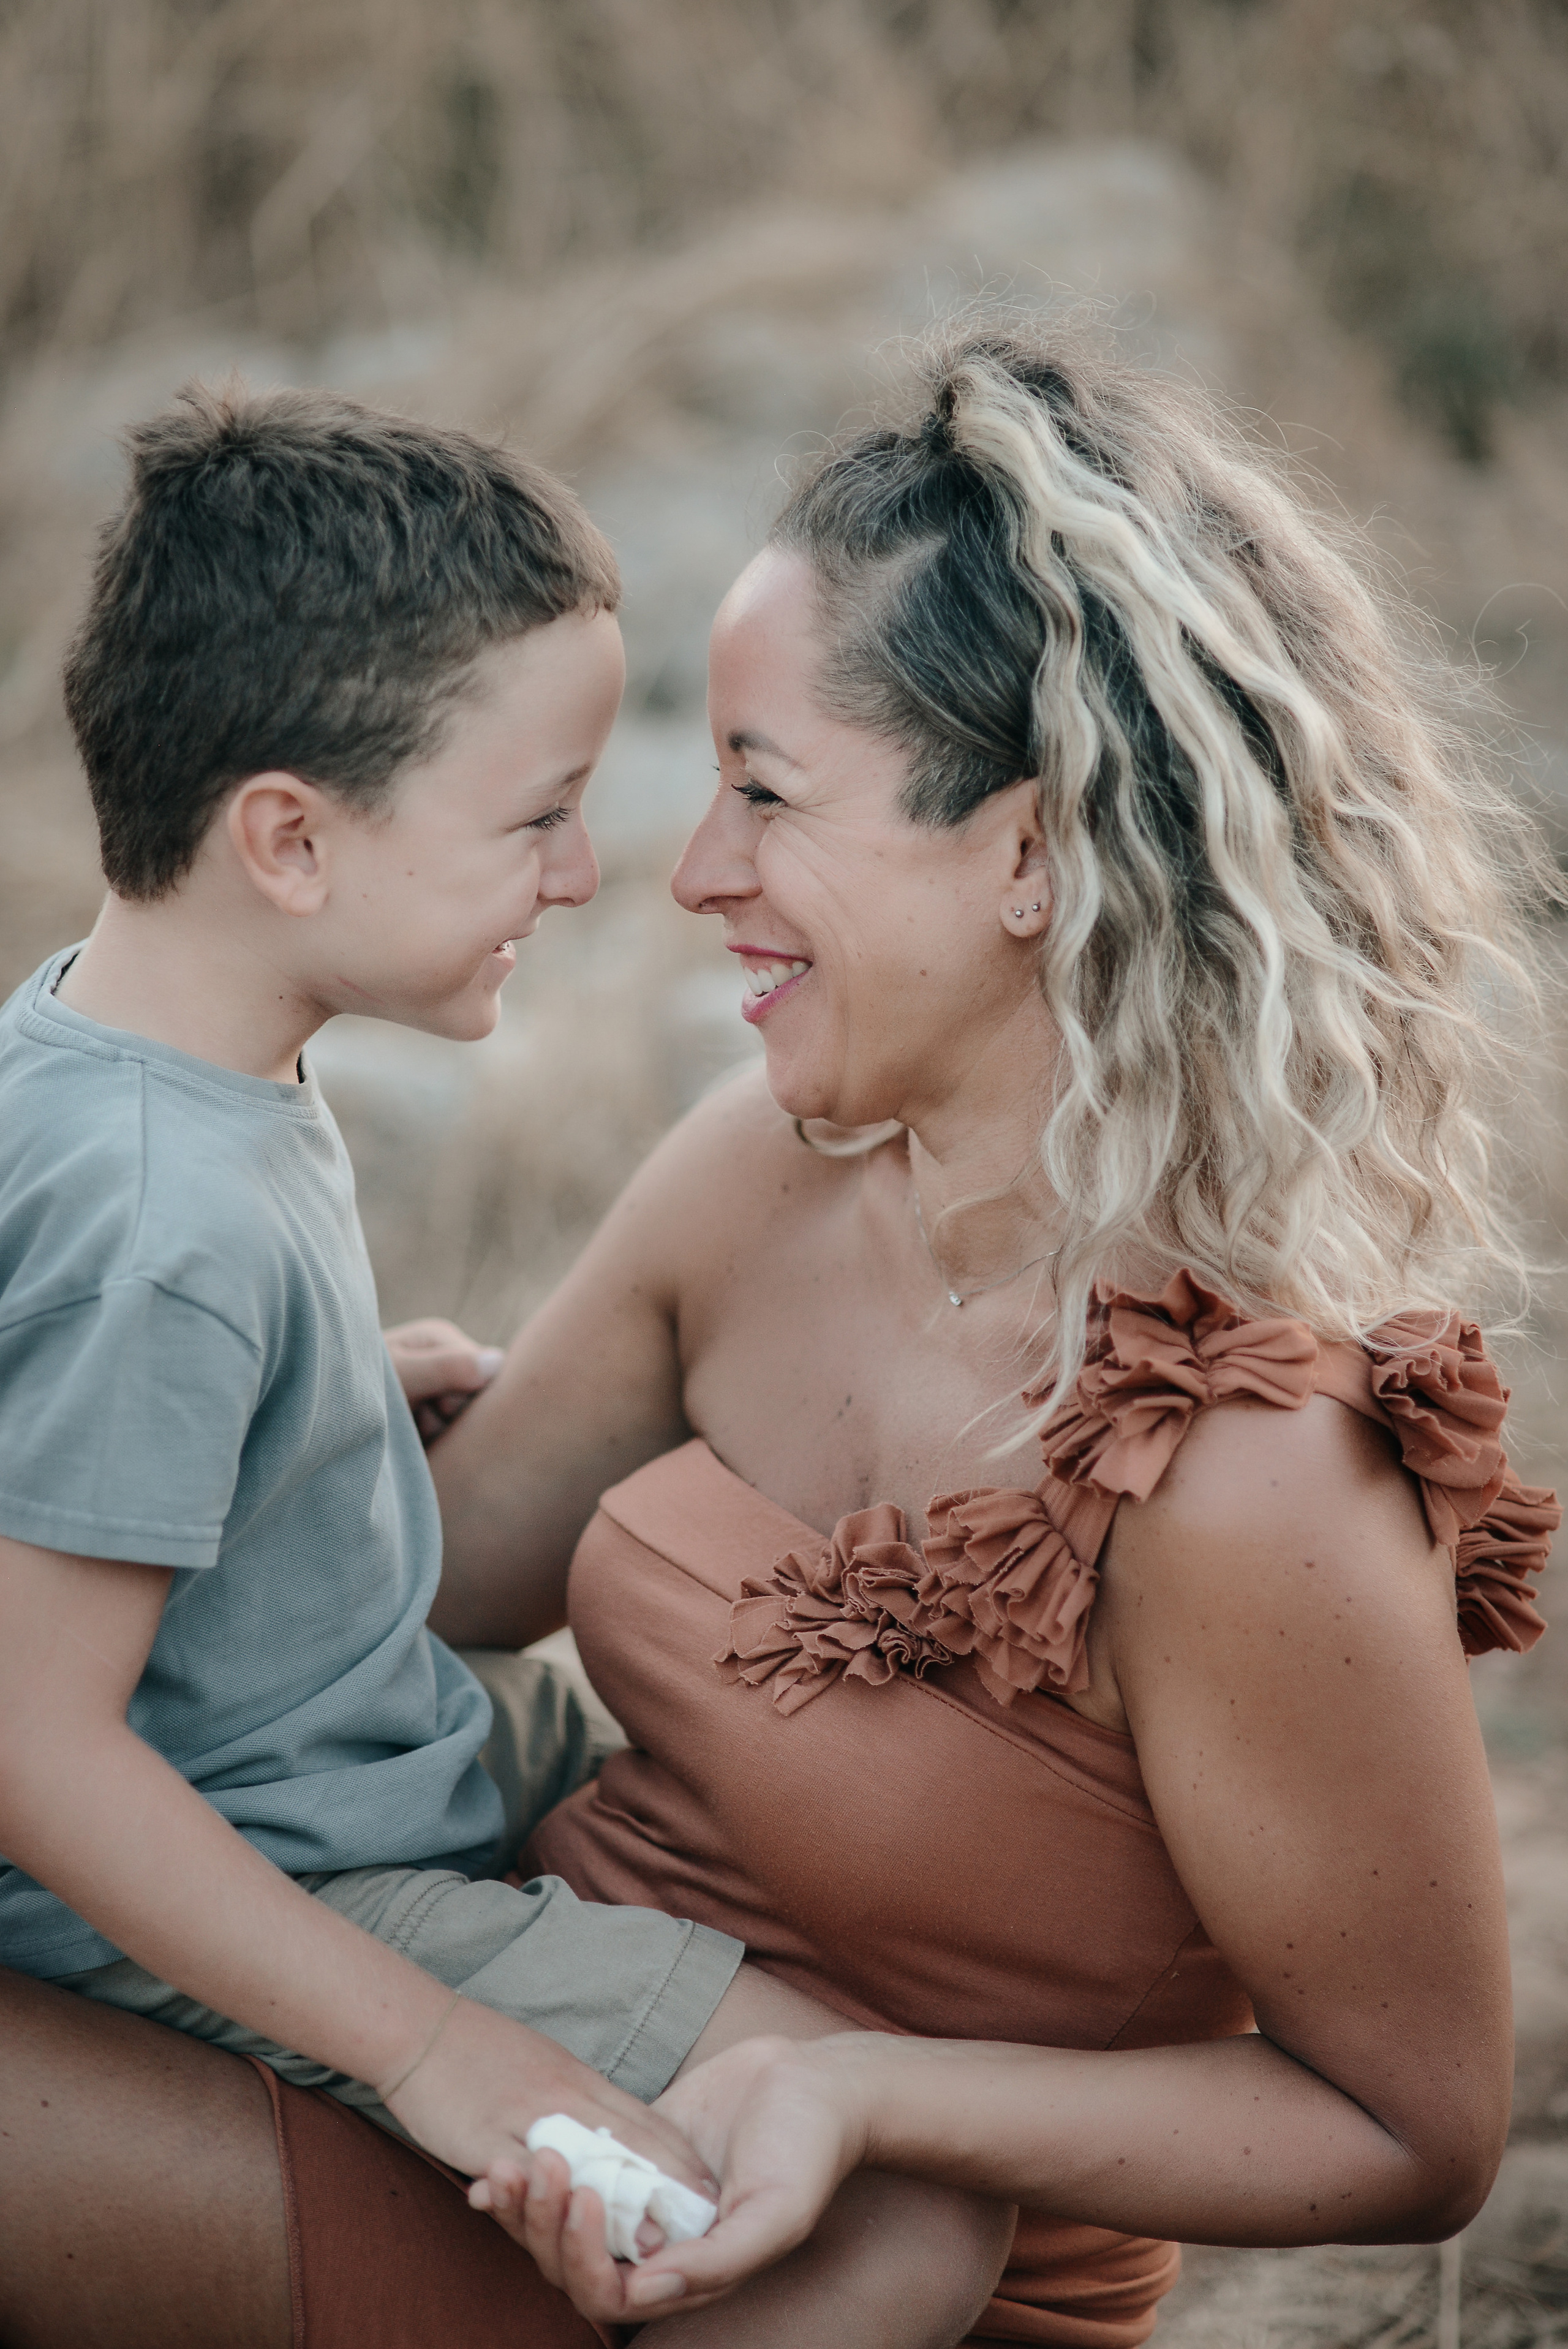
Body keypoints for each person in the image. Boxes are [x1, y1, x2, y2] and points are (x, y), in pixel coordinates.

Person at [413, 322, 1562, 2342]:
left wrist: (862, 2099)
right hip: (520, 2091)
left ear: (1031, 851)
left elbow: (1415, 2125)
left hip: (864, 2286)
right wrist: (292, 1385)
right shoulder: (758, 1173)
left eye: (765, 794)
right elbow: (440, 1588)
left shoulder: (1250, 1472)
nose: (694, 875)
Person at [0, 380, 1012, 2348]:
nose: (584, 873)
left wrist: (313, 1418)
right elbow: (34, 1744)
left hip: (343, 1750)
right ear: (287, 836)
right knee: (907, 2213)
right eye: (538, 818)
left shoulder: (99, 1055)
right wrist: (439, 2047)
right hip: (298, 1864)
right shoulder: (169, 1223)